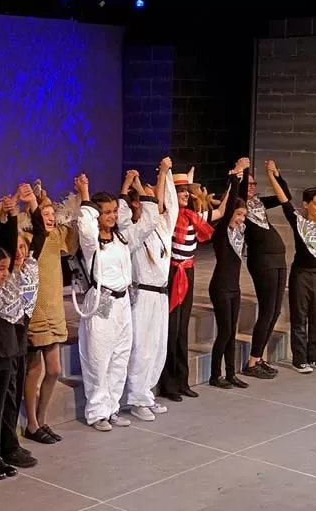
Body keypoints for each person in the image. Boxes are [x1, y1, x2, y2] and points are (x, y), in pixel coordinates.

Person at [73, 173, 160, 431]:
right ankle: (97, 412)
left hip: (123, 304)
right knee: (98, 359)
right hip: (101, 302)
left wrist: (138, 189)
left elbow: (149, 222)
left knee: (119, 357)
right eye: (106, 212)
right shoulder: (91, 245)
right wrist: (85, 195)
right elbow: (86, 228)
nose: (111, 216)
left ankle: (111, 409)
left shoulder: (123, 239)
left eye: (113, 211)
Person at [0, 194, 45, 476]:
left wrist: (14, 216)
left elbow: (13, 253)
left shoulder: (10, 282)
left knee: (1, 408)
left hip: (8, 354)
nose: (6, 271)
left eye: (7, 267)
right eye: (0, 268)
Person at [266, 159, 316, 373]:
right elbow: (284, 201)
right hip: (301, 274)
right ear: (306, 205)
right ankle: (300, 358)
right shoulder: (298, 221)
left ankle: (315, 356)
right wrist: (273, 176)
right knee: (299, 317)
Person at [21, 184, 79, 445]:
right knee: (34, 369)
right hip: (35, 311)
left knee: (54, 369)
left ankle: (41, 419)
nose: (50, 217)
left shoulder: (56, 236)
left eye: (51, 213)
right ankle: (32, 423)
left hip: (54, 309)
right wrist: (32, 203)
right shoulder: (30, 238)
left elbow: (76, 238)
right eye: (44, 214)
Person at [119, 158, 174, 419]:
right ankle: (137, 397)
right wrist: (158, 174)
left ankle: (147, 393)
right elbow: (150, 212)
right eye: (147, 197)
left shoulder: (161, 226)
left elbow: (161, 204)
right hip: (143, 294)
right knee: (141, 347)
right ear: (138, 203)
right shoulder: (132, 231)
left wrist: (157, 177)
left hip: (161, 294)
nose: (156, 202)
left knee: (157, 346)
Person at [156, 169, 213, 402]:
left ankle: (182, 380)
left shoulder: (192, 217)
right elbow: (160, 203)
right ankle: (169, 383)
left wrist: (235, 178)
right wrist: (163, 175)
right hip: (172, 272)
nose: (185, 195)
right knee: (171, 328)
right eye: (180, 192)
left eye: (186, 192)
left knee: (182, 330)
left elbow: (221, 211)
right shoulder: (167, 218)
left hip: (187, 272)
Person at [239, 160, 289, 379]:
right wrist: (243, 169)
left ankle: (259, 358)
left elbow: (283, 195)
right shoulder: (237, 203)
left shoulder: (258, 202)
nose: (251, 187)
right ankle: (252, 361)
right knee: (267, 309)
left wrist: (275, 174)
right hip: (262, 260)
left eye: (253, 183)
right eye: (248, 183)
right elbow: (239, 189)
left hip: (277, 258)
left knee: (276, 310)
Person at [206, 165, 249, 388]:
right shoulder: (221, 231)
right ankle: (215, 375)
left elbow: (243, 201)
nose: (241, 218)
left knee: (232, 332)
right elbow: (232, 202)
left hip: (234, 287)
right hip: (220, 287)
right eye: (238, 214)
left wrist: (246, 171)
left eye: (243, 215)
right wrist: (235, 179)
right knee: (224, 332)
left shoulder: (239, 233)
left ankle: (231, 373)